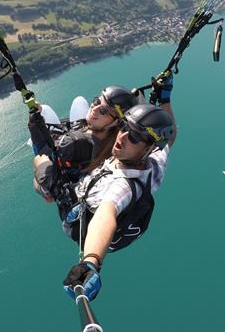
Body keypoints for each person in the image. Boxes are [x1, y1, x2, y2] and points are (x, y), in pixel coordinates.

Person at [62, 99, 176, 301]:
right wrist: (165, 98)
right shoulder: (155, 161)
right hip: (95, 188)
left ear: (149, 148)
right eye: (124, 126)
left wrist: (90, 262)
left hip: (77, 219)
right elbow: (170, 138)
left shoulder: (122, 187)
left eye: (133, 136)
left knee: (46, 170)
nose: (121, 137)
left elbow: (106, 214)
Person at [29, 86, 139, 203]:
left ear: (116, 122)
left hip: (63, 161)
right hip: (81, 151)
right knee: (79, 101)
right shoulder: (117, 143)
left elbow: (43, 160)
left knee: (43, 113)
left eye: (103, 111)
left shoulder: (72, 143)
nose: (94, 108)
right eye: (97, 101)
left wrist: (33, 123)